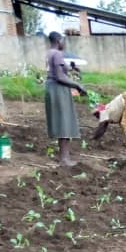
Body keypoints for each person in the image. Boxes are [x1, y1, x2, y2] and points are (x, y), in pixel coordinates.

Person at [44, 31, 87, 167]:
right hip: (58, 89)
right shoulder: (57, 54)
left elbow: (59, 71)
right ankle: (64, 158)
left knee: (61, 121)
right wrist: (77, 85)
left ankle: (64, 156)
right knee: (64, 122)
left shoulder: (49, 53)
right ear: (59, 40)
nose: (64, 43)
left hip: (52, 88)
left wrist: (72, 69)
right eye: (63, 40)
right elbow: (60, 77)